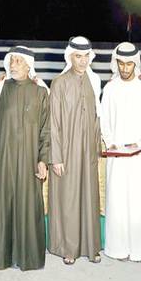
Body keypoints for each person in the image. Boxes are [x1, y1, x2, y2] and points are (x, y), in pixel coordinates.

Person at [0, 46, 51, 271]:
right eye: (11, 60)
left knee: (29, 205)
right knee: (6, 203)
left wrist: (43, 159)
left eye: (18, 61)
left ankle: (29, 258)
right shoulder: (2, 89)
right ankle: (5, 257)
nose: (13, 65)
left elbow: (46, 130)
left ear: (28, 66)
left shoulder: (41, 92)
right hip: (6, 158)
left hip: (30, 159)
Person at [100, 42, 141, 262]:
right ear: (116, 63)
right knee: (117, 201)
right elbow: (104, 120)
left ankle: (139, 250)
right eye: (121, 64)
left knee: (138, 201)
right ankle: (117, 249)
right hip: (116, 154)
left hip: (140, 154)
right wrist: (110, 142)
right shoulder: (110, 88)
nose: (125, 68)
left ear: (136, 63)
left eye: (129, 64)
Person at [48, 36, 103, 265]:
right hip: (66, 151)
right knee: (68, 199)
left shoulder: (95, 81)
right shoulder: (59, 83)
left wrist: (97, 149)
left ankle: (91, 247)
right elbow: (53, 123)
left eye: (86, 56)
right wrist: (56, 157)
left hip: (88, 151)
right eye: (78, 56)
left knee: (89, 198)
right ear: (70, 56)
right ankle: (68, 248)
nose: (82, 61)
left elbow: (98, 116)